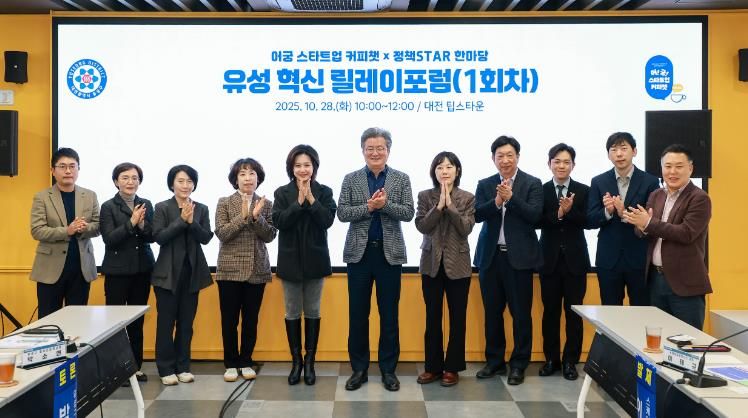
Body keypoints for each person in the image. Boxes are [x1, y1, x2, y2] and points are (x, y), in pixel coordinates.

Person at [337, 127, 414, 392]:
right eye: (370, 148)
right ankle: (359, 370)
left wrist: (385, 205)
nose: (375, 152)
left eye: (380, 148)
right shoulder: (351, 179)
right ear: (363, 150)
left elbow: (408, 213)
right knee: (358, 315)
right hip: (359, 256)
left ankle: (388, 370)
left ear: (388, 150)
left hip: (389, 255)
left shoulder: (401, 179)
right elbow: (342, 213)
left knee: (389, 316)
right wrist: (369, 207)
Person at [473, 135, 542, 386]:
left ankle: (519, 364)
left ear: (518, 157)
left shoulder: (532, 183)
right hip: (491, 258)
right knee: (492, 313)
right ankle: (494, 361)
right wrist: (497, 202)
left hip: (519, 260)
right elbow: (476, 214)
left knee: (521, 314)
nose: (505, 160)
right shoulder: (485, 184)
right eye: (499, 156)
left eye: (509, 155)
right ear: (493, 159)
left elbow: (535, 216)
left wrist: (511, 199)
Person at [623, 144, 712, 330]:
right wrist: (641, 226)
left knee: (687, 340)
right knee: (657, 339)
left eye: (679, 166)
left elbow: (686, 233)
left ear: (690, 168)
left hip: (685, 283)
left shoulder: (699, 198)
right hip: (656, 279)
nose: (672, 172)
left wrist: (648, 223)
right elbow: (643, 231)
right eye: (668, 166)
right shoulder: (656, 195)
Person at [273, 145, 336, 386]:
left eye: (307, 165)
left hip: (315, 260)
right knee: (291, 312)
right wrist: (298, 202)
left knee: (312, 311)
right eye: (298, 165)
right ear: (291, 168)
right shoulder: (282, 193)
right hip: (289, 261)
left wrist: (310, 199)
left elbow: (327, 220)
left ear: (314, 167)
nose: (302, 169)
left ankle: (310, 362)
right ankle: (296, 362)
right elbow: (279, 222)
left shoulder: (324, 192)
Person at [414, 152, 475, 388]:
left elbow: (465, 229)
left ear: (457, 171)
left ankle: (452, 367)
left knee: (457, 318)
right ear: (434, 172)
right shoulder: (425, 196)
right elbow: (423, 226)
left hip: (458, 265)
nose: (444, 171)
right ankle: (433, 367)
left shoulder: (467, 197)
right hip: (431, 264)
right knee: (432, 317)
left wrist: (450, 206)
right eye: (439, 167)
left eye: (449, 167)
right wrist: (439, 206)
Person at [215, 158, 277, 383]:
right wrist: (243, 217)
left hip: (257, 269)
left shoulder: (267, 204)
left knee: (251, 320)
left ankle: (246, 361)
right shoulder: (224, 202)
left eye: (252, 174)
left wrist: (256, 217)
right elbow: (222, 233)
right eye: (242, 174)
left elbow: (270, 235)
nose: (248, 178)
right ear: (235, 179)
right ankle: (231, 363)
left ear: (258, 178)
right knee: (229, 320)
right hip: (229, 270)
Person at [152, 164, 213, 386]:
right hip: (167, 275)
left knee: (186, 324)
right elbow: (159, 237)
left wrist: (191, 222)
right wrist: (181, 221)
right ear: (172, 184)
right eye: (180, 181)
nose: (185, 185)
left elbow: (206, 237)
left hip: (192, 274)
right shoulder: (162, 207)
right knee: (166, 323)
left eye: (189, 181)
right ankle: (166, 368)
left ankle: (183, 366)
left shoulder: (202, 208)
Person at [587, 132, 660, 306]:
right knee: (610, 312)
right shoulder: (598, 181)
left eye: (624, 148)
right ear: (608, 155)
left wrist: (623, 212)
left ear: (634, 151)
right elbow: (590, 220)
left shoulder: (650, 181)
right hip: (608, 259)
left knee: (641, 310)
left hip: (639, 257)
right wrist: (607, 211)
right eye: (614, 150)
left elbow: (652, 220)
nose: (619, 154)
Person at [537, 144, 590, 381]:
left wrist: (569, 211)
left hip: (575, 262)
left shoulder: (583, 190)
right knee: (550, 313)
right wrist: (559, 214)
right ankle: (551, 360)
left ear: (573, 165)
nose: (561, 166)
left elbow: (588, 221)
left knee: (574, 314)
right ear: (549, 164)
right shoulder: (541, 190)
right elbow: (536, 221)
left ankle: (570, 361)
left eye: (566, 162)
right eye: (557, 161)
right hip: (548, 261)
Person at [100, 162, 155, 383]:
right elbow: (109, 239)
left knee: (136, 321)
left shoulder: (146, 203)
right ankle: (116, 369)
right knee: (115, 322)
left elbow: (152, 236)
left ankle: (134, 367)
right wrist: (132, 223)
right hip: (117, 272)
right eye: (125, 177)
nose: (130, 182)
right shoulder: (108, 206)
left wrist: (142, 226)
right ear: (116, 181)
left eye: (134, 178)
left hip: (142, 271)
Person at [30, 147, 100, 318]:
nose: (68, 171)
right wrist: (67, 231)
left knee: (77, 321)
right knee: (48, 321)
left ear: (78, 169)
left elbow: (98, 226)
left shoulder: (90, 196)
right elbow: (37, 230)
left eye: (72, 166)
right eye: (62, 166)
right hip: (50, 270)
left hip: (81, 270)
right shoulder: (42, 197)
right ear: (53, 170)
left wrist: (84, 228)